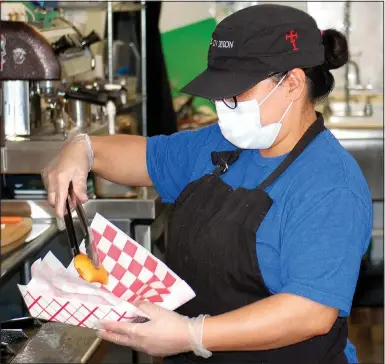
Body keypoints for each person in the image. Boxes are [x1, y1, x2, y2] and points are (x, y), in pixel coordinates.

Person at [42, 4, 372, 364]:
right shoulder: (221, 144)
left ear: (291, 82)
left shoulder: (330, 183)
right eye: (218, 93)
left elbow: (310, 312)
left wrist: (191, 334)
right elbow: (144, 157)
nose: (222, 106)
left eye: (234, 93)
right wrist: (84, 149)